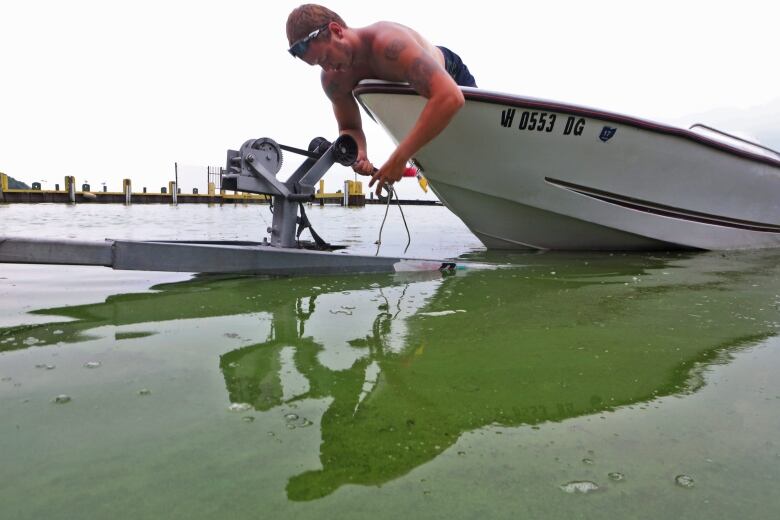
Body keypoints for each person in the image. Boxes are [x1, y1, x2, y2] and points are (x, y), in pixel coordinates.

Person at [286, 4, 477, 195]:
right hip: (421, 105)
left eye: (325, 57)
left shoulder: (388, 43)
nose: (327, 68)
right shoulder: (332, 80)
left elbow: (450, 96)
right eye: (318, 64)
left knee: (474, 139)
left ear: (336, 31)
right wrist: (359, 153)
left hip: (449, 75)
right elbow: (350, 127)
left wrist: (400, 158)